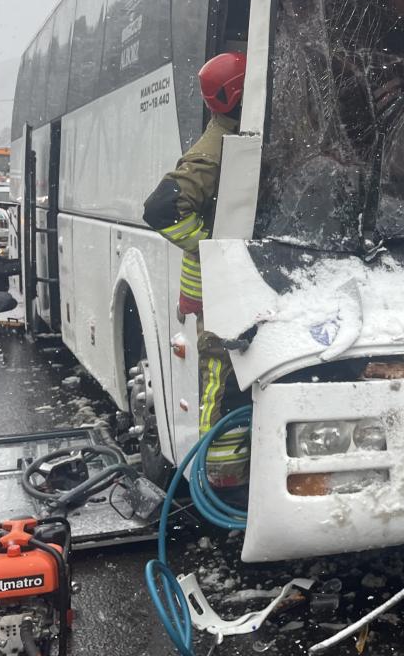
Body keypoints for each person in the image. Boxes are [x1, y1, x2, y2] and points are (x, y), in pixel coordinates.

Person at [142, 51, 249, 487]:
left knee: (229, 384)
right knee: (219, 387)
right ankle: (221, 482)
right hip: (215, 293)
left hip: (225, 291)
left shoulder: (233, 139)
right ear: (240, 95)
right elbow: (160, 209)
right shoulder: (214, 151)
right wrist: (212, 247)